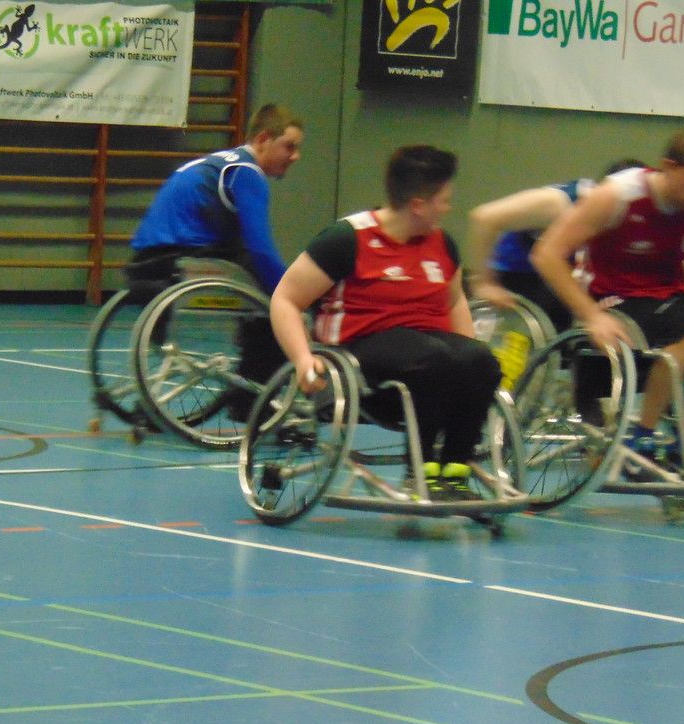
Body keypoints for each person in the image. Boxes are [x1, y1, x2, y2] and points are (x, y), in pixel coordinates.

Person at [269, 145, 501, 500]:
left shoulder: (442, 244)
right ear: (418, 204)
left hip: (427, 348)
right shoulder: (347, 239)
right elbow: (285, 299)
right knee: (433, 358)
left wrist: (469, 359)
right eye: (444, 200)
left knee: (481, 360)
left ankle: (455, 471)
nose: (448, 208)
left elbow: (455, 301)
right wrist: (302, 359)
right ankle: (420, 473)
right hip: (361, 351)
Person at [530, 126, 684, 482]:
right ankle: (641, 439)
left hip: (669, 296)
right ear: (668, 166)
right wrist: (590, 315)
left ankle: (683, 443)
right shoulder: (617, 195)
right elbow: (547, 253)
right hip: (612, 297)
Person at [125, 104, 304, 417]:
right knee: (280, 311)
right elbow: (260, 248)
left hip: (145, 263)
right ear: (263, 139)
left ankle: (246, 391)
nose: (295, 156)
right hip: (185, 260)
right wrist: (291, 296)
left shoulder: (216, 162)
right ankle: (250, 406)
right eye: (289, 146)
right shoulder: (247, 173)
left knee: (260, 284)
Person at [467, 159, 643, 333]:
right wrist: (484, 283)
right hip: (516, 276)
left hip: (551, 280)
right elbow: (484, 218)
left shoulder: (633, 221)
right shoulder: (560, 203)